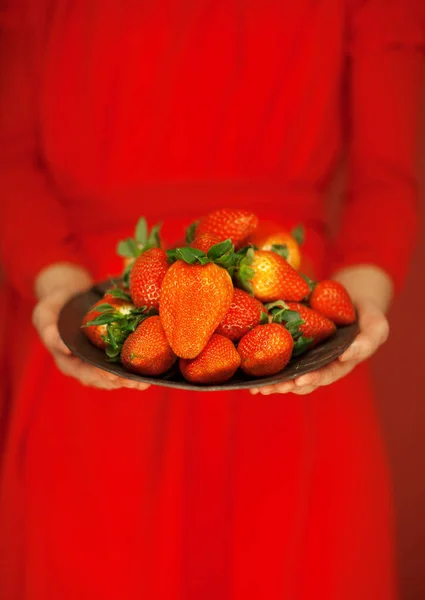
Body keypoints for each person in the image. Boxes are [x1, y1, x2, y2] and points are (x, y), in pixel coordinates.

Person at [0, 2, 423, 599]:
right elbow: (8, 159)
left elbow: (388, 179)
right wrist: (58, 286)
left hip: (285, 345)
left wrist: (357, 299)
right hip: (104, 336)